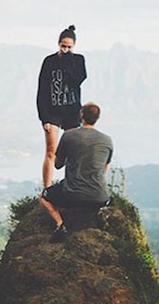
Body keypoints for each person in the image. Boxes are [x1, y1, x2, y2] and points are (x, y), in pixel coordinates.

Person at [40, 102, 113, 242]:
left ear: (81, 115)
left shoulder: (69, 136)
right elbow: (104, 169)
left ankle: (60, 225)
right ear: (97, 118)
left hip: (73, 195)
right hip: (100, 197)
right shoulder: (107, 140)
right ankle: (97, 215)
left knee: (44, 197)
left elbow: (57, 164)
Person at [37, 25, 87, 189]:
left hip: (72, 111)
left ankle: (71, 185)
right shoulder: (49, 61)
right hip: (52, 112)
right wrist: (44, 117)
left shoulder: (78, 60)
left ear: (74, 46)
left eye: (69, 47)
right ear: (58, 44)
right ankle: (47, 187)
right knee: (51, 150)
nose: (65, 49)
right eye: (63, 46)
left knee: (72, 151)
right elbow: (42, 89)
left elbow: (77, 80)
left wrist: (67, 62)